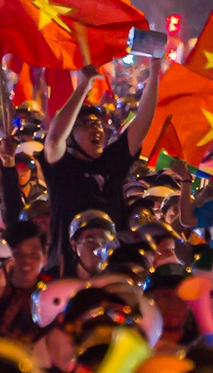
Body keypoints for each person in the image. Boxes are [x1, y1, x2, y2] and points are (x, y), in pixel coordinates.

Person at [40, 63, 161, 277]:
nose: (96, 129)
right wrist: (83, 86)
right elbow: (54, 137)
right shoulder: (61, 166)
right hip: (65, 268)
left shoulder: (111, 161)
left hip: (113, 267)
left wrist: (155, 69)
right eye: (86, 124)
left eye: (98, 124)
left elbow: (142, 122)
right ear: (71, 137)